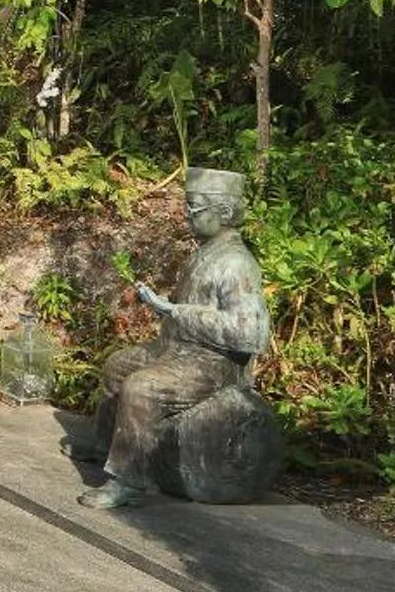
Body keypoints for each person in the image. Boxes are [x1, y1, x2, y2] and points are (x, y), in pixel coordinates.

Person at [70, 167, 270, 510]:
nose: (186, 215)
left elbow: (251, 333)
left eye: (194, 207)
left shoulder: (237, 264)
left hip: (212, 364)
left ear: (223, 212)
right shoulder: (205, 252)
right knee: (118, 365)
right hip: (176, 350)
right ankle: (106, 449)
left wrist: (176, 311)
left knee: (142, 388)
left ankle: (128, 481)